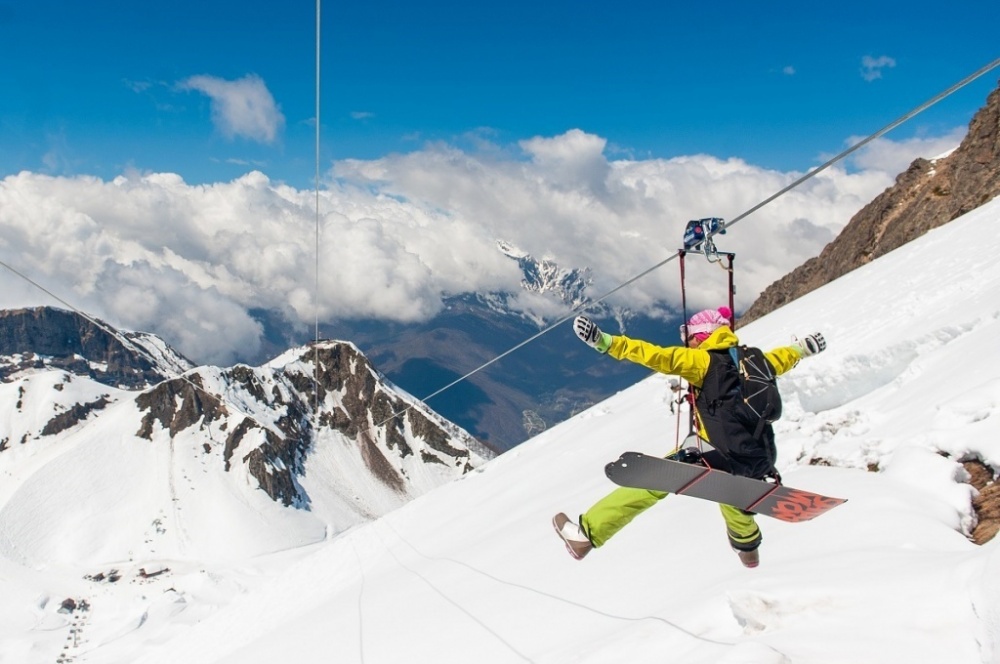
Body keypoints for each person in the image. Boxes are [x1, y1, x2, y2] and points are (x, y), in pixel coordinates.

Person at [553, 306, 826, 568]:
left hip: (718, 455)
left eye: (690, 338)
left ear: (701, 336)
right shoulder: (756, 359)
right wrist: (804, 347)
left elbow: (653, 355)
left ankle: (585, 536)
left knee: (650, 479)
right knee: (735, 491)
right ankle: (748, 548)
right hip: (759, 458)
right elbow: (785, 357)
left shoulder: (702, 360)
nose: (689, 344)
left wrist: (604, 342)